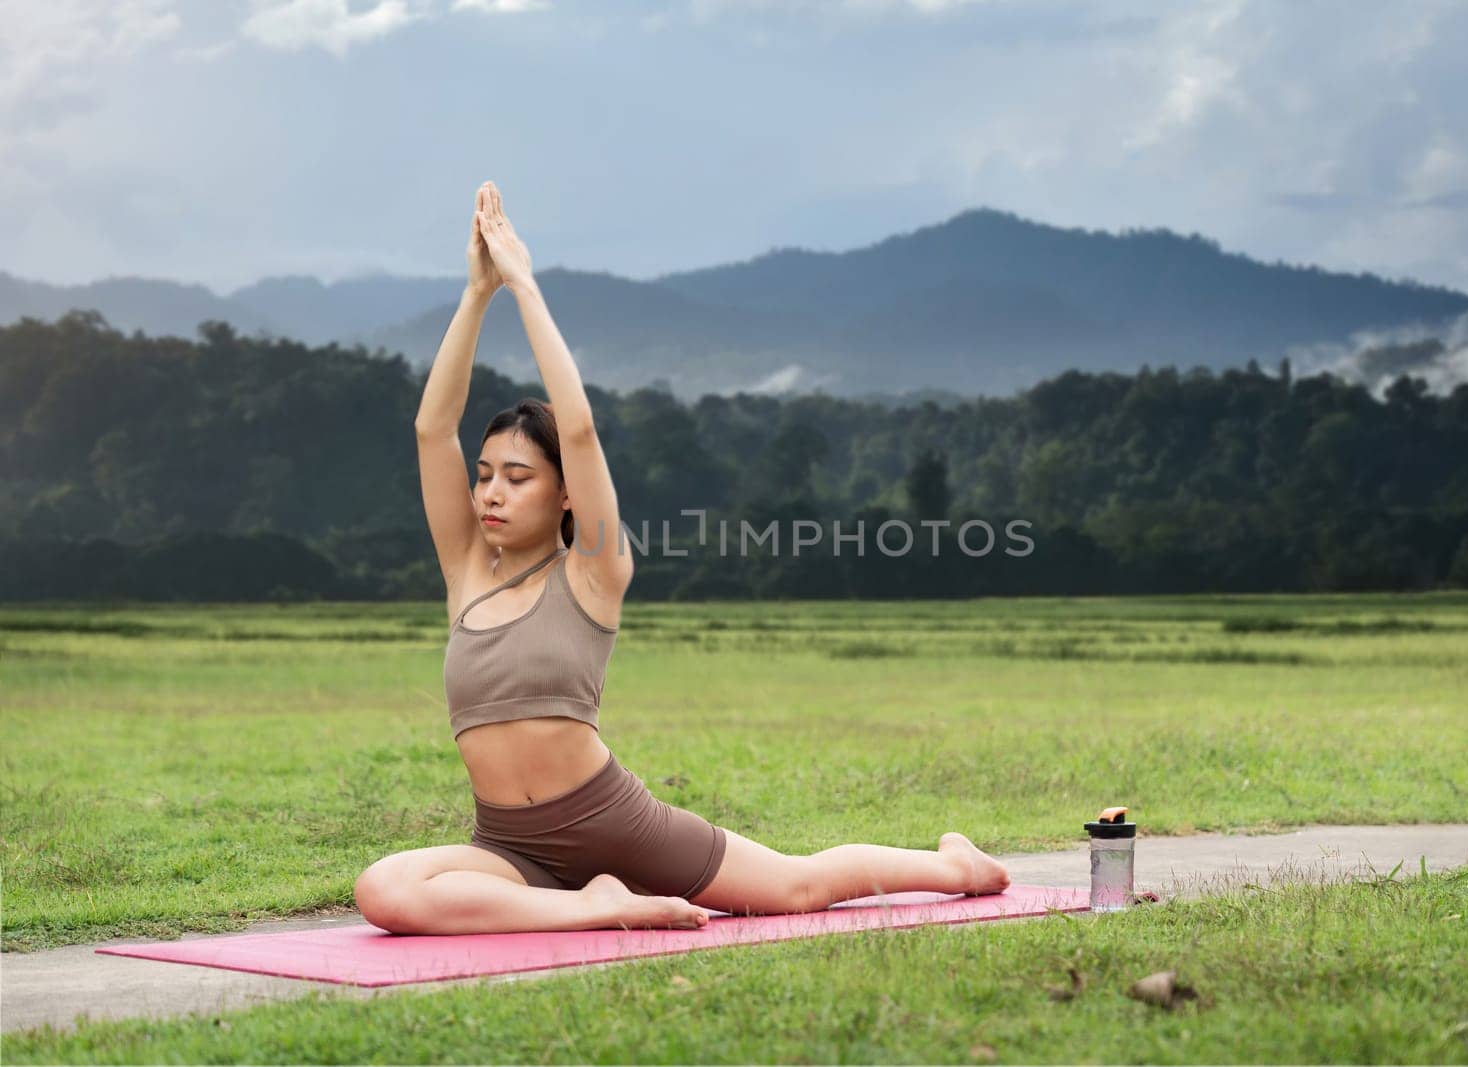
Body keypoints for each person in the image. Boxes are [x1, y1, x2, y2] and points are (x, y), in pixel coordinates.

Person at [352, 181, 1011, 935]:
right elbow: (433, 430)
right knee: (386, 889)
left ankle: (958, 865)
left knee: (794, 887)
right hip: (507, 843)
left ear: (567, 496)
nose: (491, 492)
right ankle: (589, 908)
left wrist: (524, 286)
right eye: (485, 475)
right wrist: (476, 294)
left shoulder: (593, 569)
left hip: (610, 822)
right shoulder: (466, 571)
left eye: (518, 476)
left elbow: (582, 430)